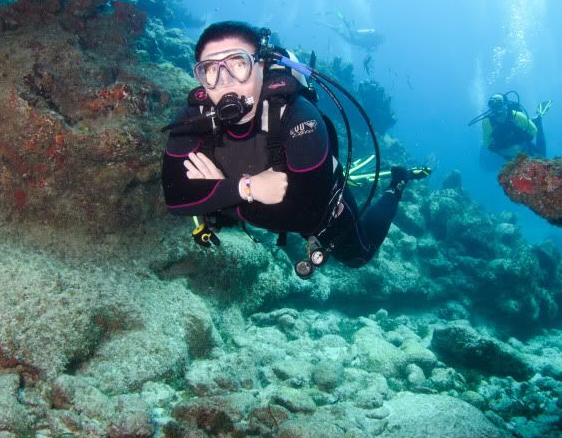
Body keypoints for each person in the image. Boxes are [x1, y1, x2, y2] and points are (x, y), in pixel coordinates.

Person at [161, 21, 429, 273]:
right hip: (267, 202)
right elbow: (174, 197)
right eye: (210, 69)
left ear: (260, 66)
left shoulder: (298, 115)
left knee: (358, 256)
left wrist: (223, 196)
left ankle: (397, 184)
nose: (225, 80)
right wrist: (246, 188)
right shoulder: (194, 117)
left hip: (320, 201)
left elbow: (308, 217)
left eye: (238, 64)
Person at [471, 92, 551, 158]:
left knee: (542, 157)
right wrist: (502, 152)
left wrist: (521, 145)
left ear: (505, 104)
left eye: (499, 103)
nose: (495, 107)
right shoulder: (487, 122)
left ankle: (538, 121)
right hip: (505, 150)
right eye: (491, 104)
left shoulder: (517, 116)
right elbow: (487, 143)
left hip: (523, 145)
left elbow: (533, 130)